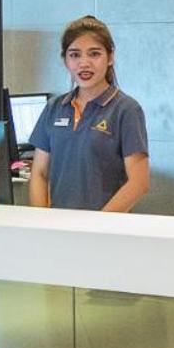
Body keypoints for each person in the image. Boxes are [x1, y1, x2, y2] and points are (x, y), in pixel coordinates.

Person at [27, 16, 149, 211]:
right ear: (65, 60)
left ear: (110, 57)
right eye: (75, 55)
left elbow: (139, 183)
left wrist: (96, 223)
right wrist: (42, 220)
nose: (84, 63)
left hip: (105, 226)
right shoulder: (54, 107)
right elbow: (39, 173)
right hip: (58, 225)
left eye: (94, 54)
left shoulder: (126, 110)